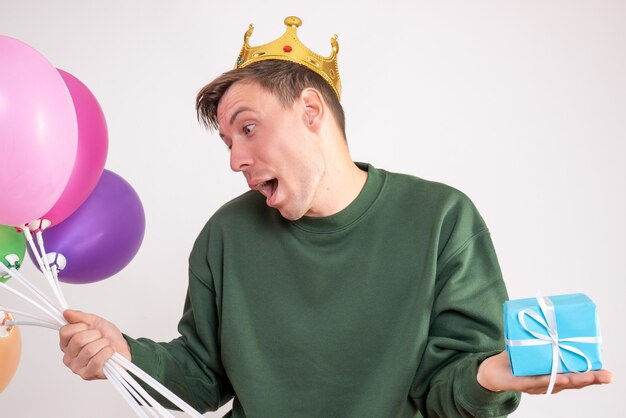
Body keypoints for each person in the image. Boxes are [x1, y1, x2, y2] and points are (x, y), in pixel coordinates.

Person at [59, 16, 612, 417]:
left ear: (311, 111)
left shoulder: (442, 219)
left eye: (248, 128)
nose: (234, 159)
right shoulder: (225, 235)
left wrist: (489, 378)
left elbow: (448, 392)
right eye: (227, 141)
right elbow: (202, 376)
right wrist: (123, 356)